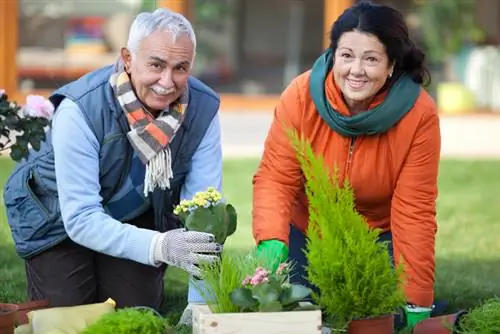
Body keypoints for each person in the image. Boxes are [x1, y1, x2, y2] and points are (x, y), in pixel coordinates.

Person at [3, 8, 223, 312]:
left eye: (181, 68)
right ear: (128, 59)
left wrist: (202, 304)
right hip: (59, 219)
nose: (167, 81)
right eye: (156, 64)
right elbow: (80, 219)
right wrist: (159, 246)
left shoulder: (203, 109)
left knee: (135, 310)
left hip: (133, 212)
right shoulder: (80, 109)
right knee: (67, 314)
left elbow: (204, 210)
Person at [252, 2, 441, 329]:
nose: (356, 70)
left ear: (391, 65)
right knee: (297, 312)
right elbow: (276, 179)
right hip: (308, 232)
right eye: (347, 55)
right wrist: (272, 240)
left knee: (379, 315)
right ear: (333, 55)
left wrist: (417, 299)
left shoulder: (418, 115)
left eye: (371, 59)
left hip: (376, 237)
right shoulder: (300, 96)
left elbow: (415, 210)